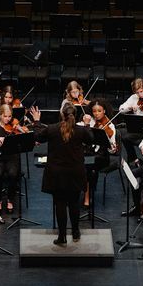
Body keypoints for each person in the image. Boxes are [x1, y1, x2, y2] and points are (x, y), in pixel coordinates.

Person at [30, 103, 94, 245]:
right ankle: (76, 232)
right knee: (74, 203)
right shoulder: (81, 130)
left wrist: (36, 121)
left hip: (57, 173)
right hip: (75, 172)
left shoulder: (52, 129)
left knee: (60, 203)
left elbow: (38, 136)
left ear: (61, 115)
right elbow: (90, 139)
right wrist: (87, 124)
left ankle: (62, 237)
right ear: (75, 115)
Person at [0, 105, 25, 221]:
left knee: (13, 174)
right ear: (0, 115)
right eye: (5, 116)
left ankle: (10, 199)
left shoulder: (14, 127)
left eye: (10, 116)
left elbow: (24, 140)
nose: (7, 119)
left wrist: (20, 130)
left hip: (12, 156)